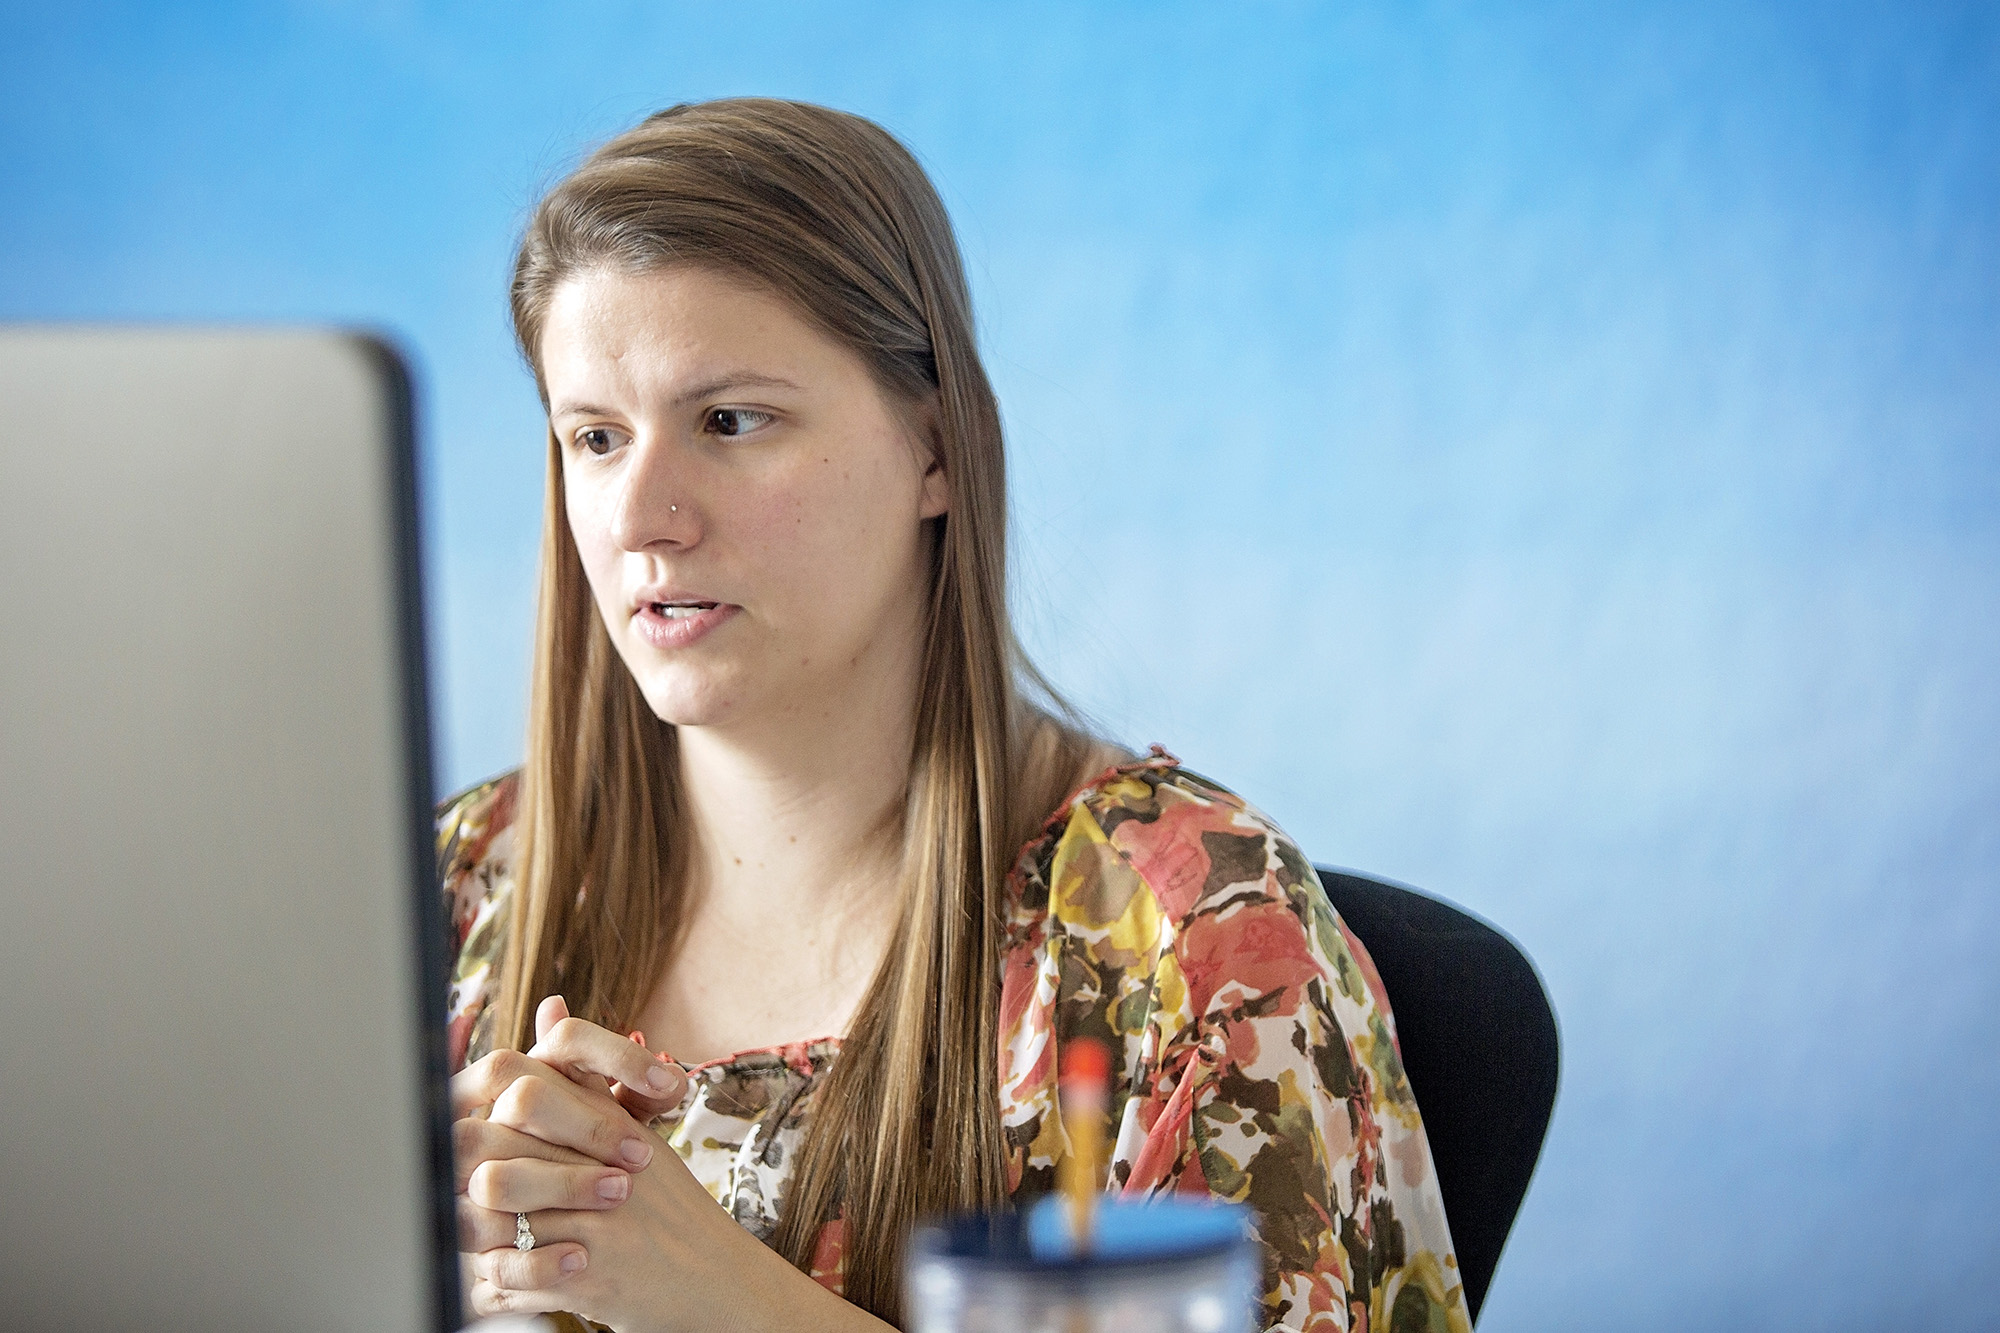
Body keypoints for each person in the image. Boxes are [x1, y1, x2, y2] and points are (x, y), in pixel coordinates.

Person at [439, 98, 1470, 1333]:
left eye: (729, 420)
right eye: (595, 438)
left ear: (934, 448)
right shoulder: (448, 897)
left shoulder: (1190, 942)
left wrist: (707, 1297)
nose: (641, 514)